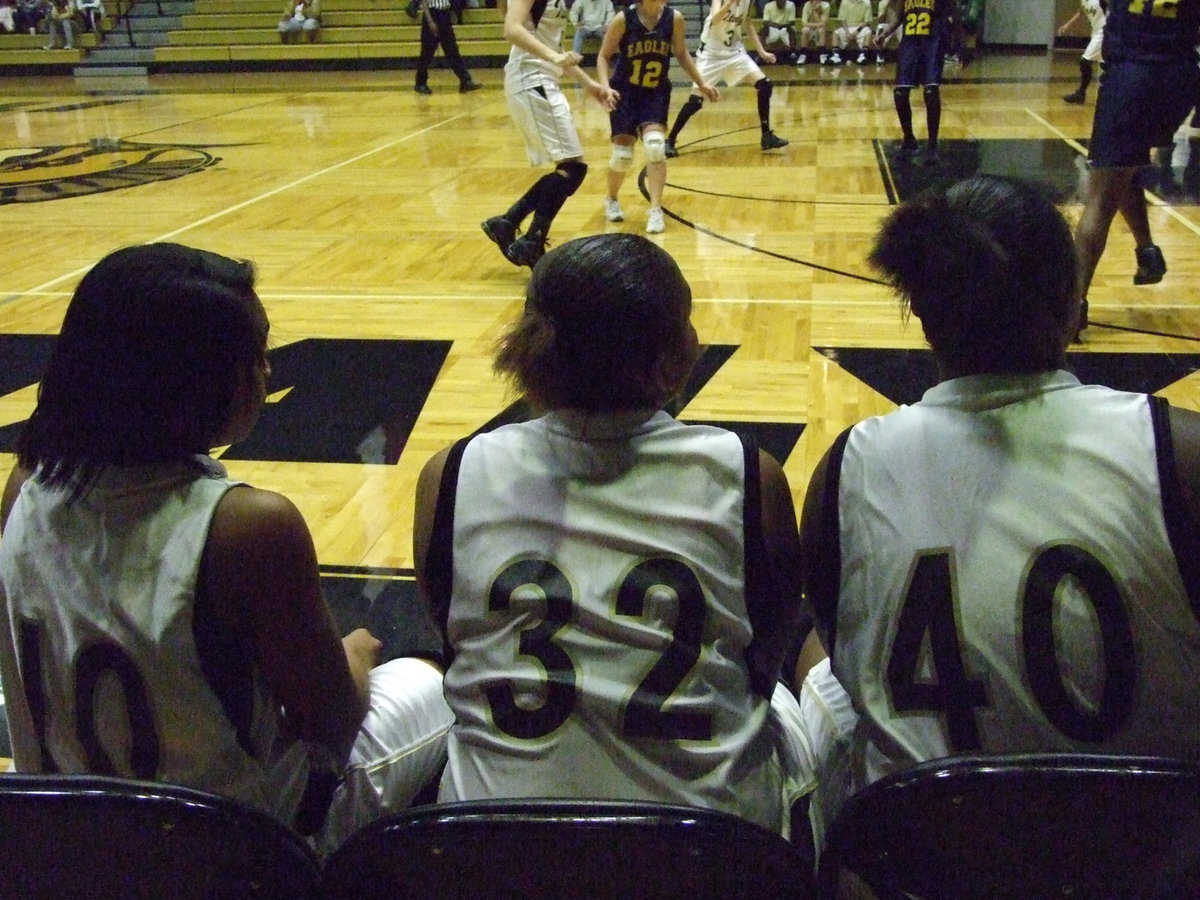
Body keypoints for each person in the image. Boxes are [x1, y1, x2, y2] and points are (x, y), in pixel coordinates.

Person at [0, 243, 454, 857]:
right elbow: (333, 722)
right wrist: (356, 654)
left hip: (67, 835)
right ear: (194, 381)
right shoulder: (248, 525)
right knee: (434, 678)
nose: (269, 372)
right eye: (257, 354)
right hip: (225, 848)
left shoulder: (24, 486)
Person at [414, 233, 848, 853]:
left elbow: (450, 634)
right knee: (796, 699)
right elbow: (764, 657)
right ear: (671, 361)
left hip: (497, 852)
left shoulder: (453, 472)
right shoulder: (746, 472)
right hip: (704, 853)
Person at [801, 174, 1200, 846]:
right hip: (1149, 861)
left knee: (816, 666)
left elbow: (848, 661)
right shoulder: (1180, 453)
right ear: (1074, 303)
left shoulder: (849, 468)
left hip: (932, 862)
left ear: (924, 320)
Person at [1073, 0, 1200, 338]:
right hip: (1180, 77)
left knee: (1100, 196)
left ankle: (1071, 308)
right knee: (1124, 167)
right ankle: (1146, 250)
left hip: (1132, 74)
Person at [479, 0, 618, 268]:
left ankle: (510, 225)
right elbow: (511, 29)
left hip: (543, 80)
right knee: (572, 168)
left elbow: (553, 47)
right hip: (531, 79)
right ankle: (528, 237)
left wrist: (589, 83)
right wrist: (554, 58)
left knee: (570, 169)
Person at [597, 0, 719, 233]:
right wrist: (605, 88)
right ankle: (611, 198)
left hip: (655, 92)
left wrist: (702, 83)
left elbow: (681, 54)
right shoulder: (624, 19)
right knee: (623, 156)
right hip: (624, 92)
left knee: (655, 148)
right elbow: (603, 56)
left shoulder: (675, 19)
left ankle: (655, 210)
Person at [663, 0, 789, 157]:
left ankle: (766, 135)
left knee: (765, 85)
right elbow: (715, 19)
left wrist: (762, 52)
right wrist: (730, 3)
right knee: (695, 101)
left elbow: (747, 23)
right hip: (711, 54)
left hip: (734, 52)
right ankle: (670, 140)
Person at [877, 0, 961, 165]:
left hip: (932, 42)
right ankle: (909, 140)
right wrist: (884, 35)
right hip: (909, 43)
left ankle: (932, 145)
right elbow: (899, 17)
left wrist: (957, 44)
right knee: (900, 93)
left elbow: (953, 14)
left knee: (931, 92)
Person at [414, 0, 483, 94]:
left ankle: (465, 80)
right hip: (433, 13)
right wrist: (430, 21)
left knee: (452, 50)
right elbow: (424, 2)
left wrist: (452, 14)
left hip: (445, 14)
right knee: (427, 52)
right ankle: (420, 83)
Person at [1058, 0, 1106, 104]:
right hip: (1096, 32)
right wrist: (1067, 25)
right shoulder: (1084, 1)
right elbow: (1080, 12)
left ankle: (1081, 93)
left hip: (1104, 32)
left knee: (1085, 61)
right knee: (1102, 64)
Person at [829, 0, 873, 66]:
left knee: (868, 32)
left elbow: (867, 21)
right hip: (847, 28)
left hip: (860, 28)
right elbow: (842, 19)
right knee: (836, 33)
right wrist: (847, 32)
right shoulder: (844, 2)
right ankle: (836, 55)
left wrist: (856, 32)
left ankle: (863, 55)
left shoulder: (867, 2)